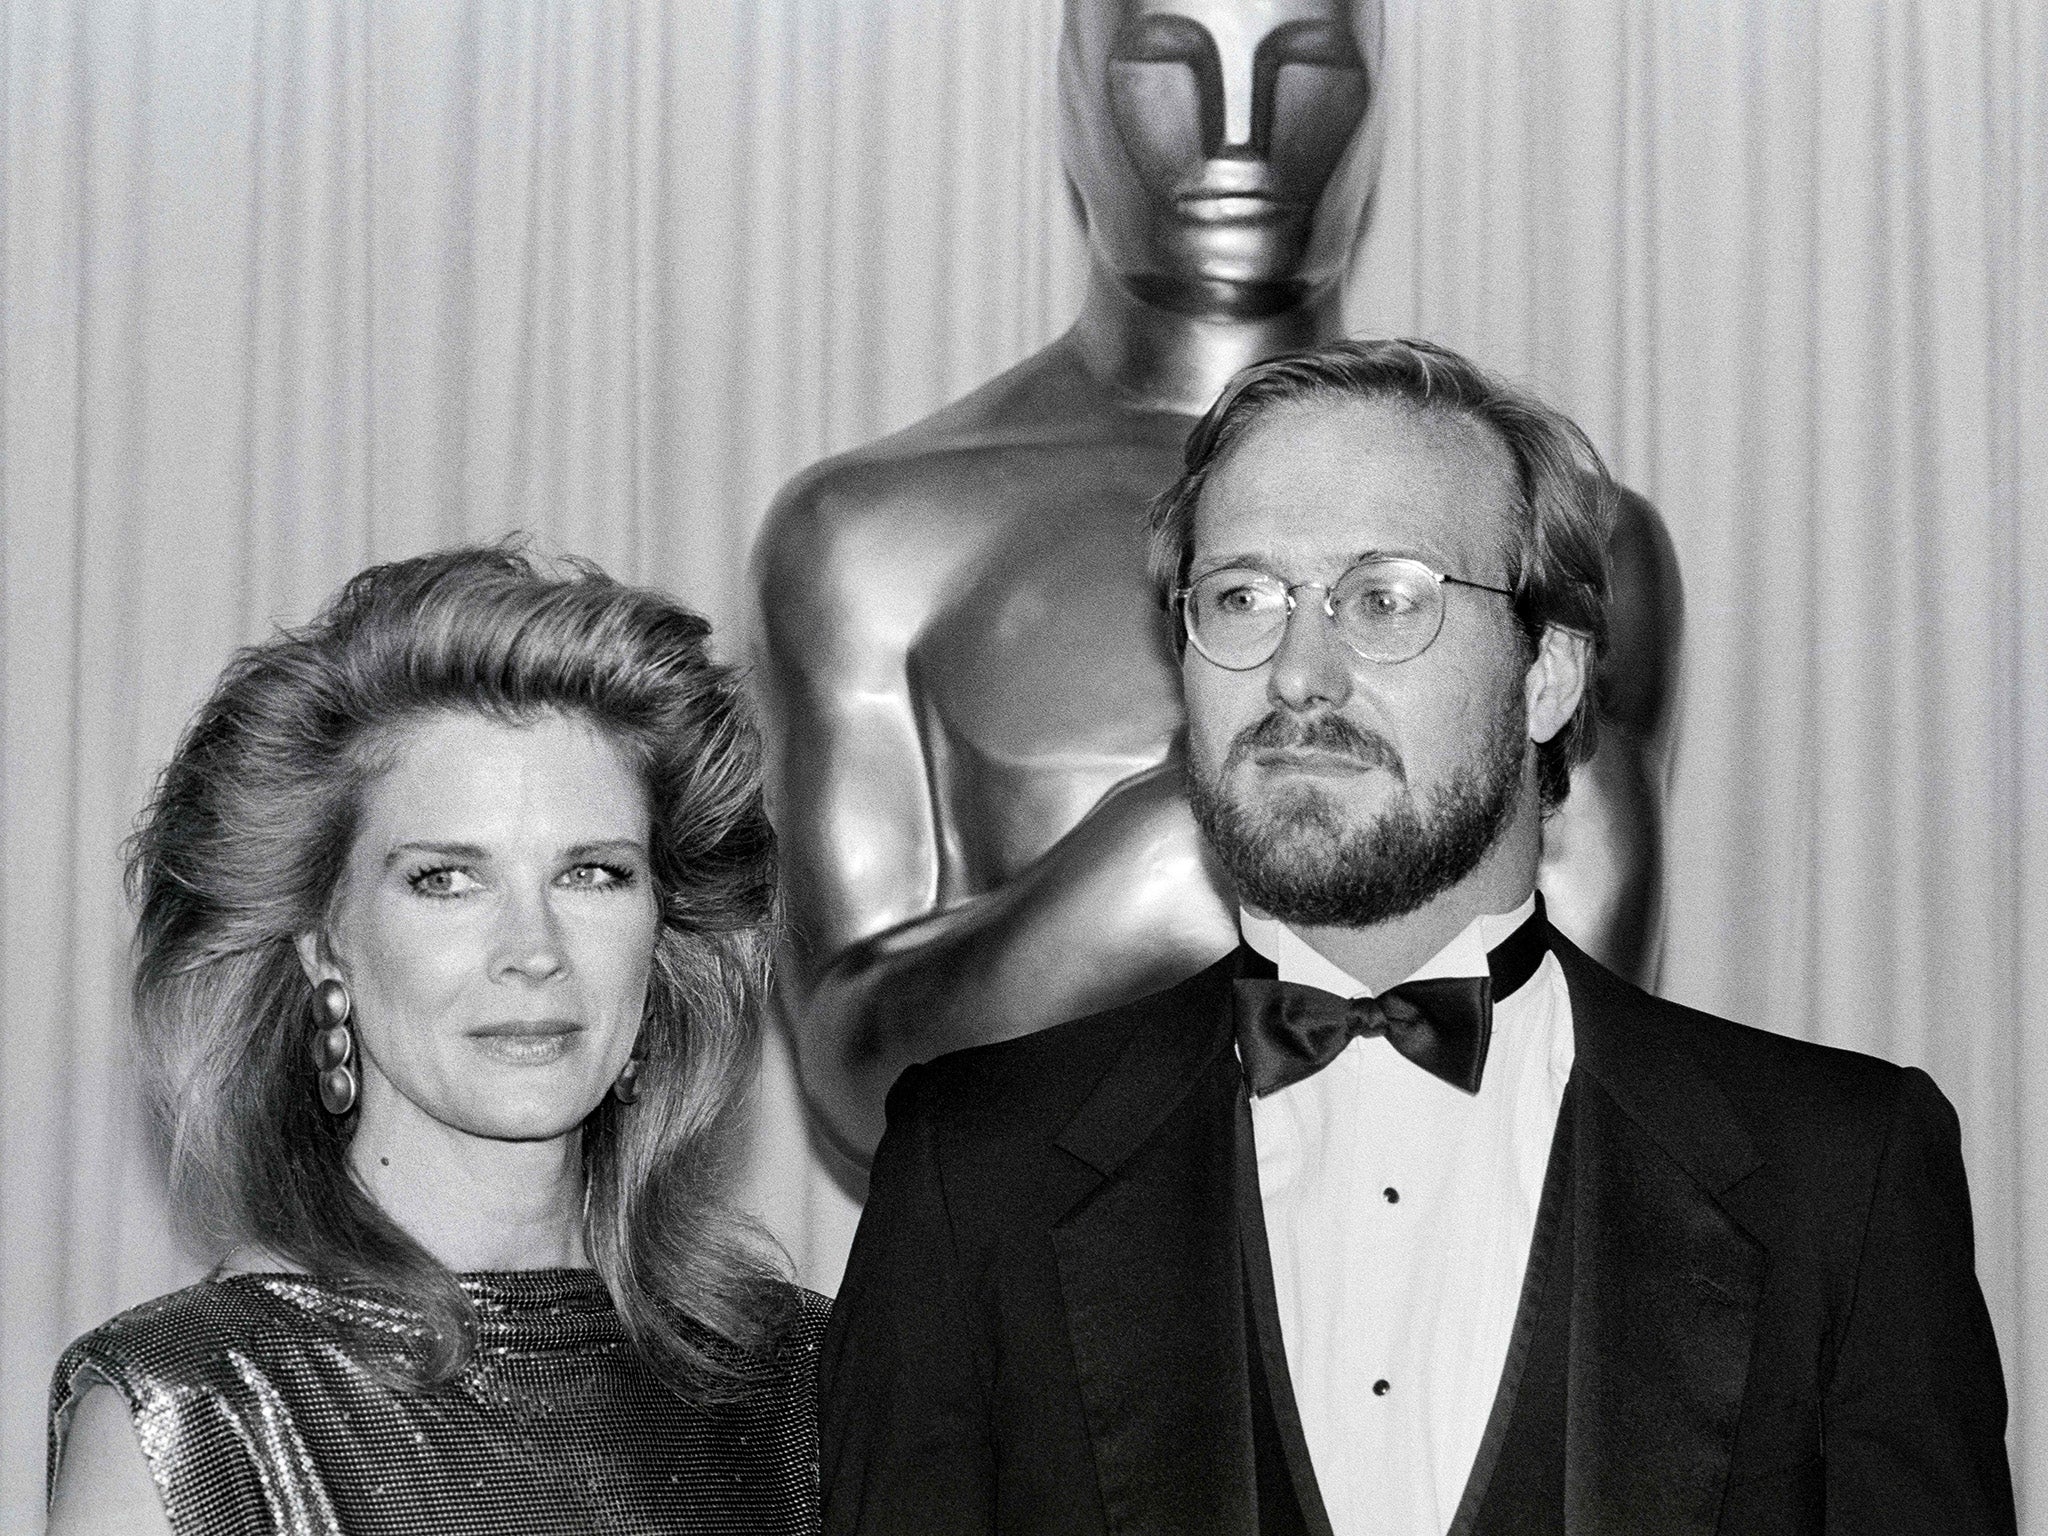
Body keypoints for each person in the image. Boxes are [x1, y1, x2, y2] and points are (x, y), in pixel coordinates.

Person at [819, 339, 2015, 1534]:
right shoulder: (971, 1176)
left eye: (1384, 598)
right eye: (1240, 597)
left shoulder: (1841, 1178)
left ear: (1546, 676)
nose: (1297, 673)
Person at [752, 0, 1682, 1178]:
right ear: (1073, 87)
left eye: (1301, 65)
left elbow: (1580, 1042)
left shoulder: (1572, 533)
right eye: (1163, 58)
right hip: (1044, 1315)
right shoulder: (871, 537)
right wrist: (1183, 851)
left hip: (1469, 1289)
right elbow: (860, 1075)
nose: (1235, 130)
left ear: (1376, 91)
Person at [46, 545, 825, 1536]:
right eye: (445, 880)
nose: (532, 951)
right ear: (324, 949)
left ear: (663, 938)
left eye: (592, 874)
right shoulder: (196, 1413)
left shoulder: (810, 1383)